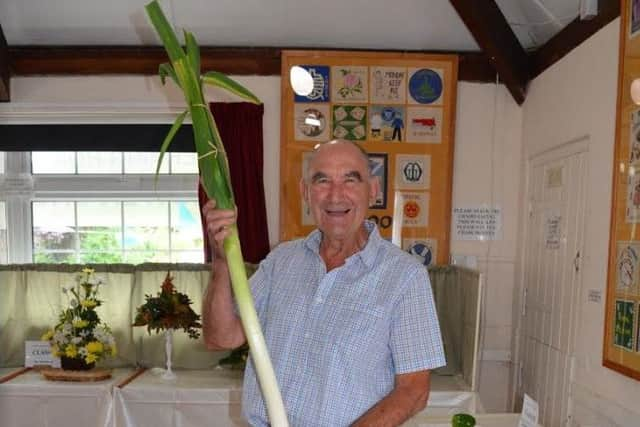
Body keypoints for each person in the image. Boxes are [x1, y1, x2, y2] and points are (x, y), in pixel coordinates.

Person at [202, 139, 445, 427]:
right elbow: (221, 337)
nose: (335, 195)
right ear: (306, 192)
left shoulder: (404, 277)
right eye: (322, 180)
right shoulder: (282, 261)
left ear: (374, 190)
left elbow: (414, 391)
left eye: (350, 180)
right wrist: (220, 262)